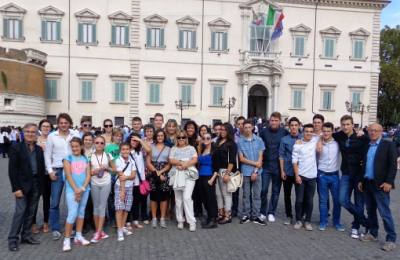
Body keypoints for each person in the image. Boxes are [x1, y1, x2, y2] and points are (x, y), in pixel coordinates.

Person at [358, 123, 397, 251]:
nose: (373, 133)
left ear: (381, 131)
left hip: (381, 185)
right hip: (368, 183)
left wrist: (389, 182)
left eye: (375, 131)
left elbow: (392, 165)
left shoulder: (388, 145)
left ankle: (391, 239)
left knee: (384, 213)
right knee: (370, 211)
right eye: (371, 131)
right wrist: (361, 181)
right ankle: (373, 233)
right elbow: (364, 165)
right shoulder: (367, 146)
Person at [8, 123, 45, 252]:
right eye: (28, 131)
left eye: (33, 132)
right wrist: (15, 188)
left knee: (31, 212)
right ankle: (13, 239)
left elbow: (41, 168)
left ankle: (26, 235)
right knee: (20, 211)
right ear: (23, 133)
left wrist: (41, 186)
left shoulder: (39, 149)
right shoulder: (16, 148)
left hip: (36, 184)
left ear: (36, 134)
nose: (30, 134)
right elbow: (12, 171)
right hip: (22, 185)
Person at [333, 115, 369, 239]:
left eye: (348, 124)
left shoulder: (362, 138)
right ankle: (365, 221)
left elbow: (371, 145)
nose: (345, 126)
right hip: (346, 174)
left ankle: (355, 227)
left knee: (359, 203)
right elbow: (325, 134)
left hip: (359, 175)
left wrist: (364, 133)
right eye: (343, 124)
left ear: (353, 125)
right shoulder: (339, 136)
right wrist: (321, 140)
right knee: (342, 199)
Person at [45, 113, 79, 240]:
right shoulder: (51, 136)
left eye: (66, 122)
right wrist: (50, 171)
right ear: (58, 124)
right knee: (55, 202)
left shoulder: (75, 134)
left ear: (69, 123)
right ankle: (55, 228)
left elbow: (79, 150)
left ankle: (72, 226)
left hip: (72, 169)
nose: (63, 125)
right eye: (61, 123)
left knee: (73, 200)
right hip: (57, 170)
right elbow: (47, 155)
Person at [62, 137, 91, 251]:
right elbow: (68, 176)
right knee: (72, 214)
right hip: (72, 191)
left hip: (84, 190)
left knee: (81, 213)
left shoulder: (85, 158)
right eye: (72, 146)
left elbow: (88, 175)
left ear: (81, 147)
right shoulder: (67, 158)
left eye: (76, 146)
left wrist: (82, 189)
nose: (74, 148)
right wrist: (76, 190)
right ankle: (67, 238)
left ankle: (78, 235)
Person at [259, 112, 288, 222]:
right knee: (263, 190)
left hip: (278, 166)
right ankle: (262, 211)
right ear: (269, 121)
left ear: (279, 121)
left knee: (276, 191)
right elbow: (259, 147)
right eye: (272, 120)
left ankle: (271, 212)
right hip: (266, 166)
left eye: (276, 120)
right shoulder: (263, 132)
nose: (274, 122)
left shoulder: (284, 132)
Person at [169, 130, 198, 231]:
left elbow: (195, 159)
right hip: (177, 174)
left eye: (183, 137)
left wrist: (185, 165)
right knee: (178, 199)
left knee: (187, 197)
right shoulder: (173, 148)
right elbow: (171, 160)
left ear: (186, 138)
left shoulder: (191, 148)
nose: (181, 139)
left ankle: (191, 221)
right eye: (179, 137)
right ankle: (180, 220)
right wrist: (181, 163)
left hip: (189, 174)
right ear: (176, 139)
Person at [317, 122, 345, 232]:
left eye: (328, 131)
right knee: (323, 200)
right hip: (322, 175)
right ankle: (323, 221)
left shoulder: (337, 143)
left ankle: (337, 222)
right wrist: (319, 140)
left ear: (333, 131)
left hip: (334, 175)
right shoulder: (318, 142)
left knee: (337, 200)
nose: (326, 133)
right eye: (324, 131)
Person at [238, 120, 266, 225]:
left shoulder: (259, 140)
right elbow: (241, 159)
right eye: (245, 127)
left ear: (253, 128)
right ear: (243, 128)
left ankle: (256, 215)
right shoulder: (240, 141)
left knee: (257, 195)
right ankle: (246, 214)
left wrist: (255, 171)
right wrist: (255, 164)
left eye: (249, 127)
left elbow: (261, 157)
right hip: (245, 171)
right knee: (246, 194)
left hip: (257, 172)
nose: (247, 129)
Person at [89, 135, 116, 243]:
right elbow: (88, 172)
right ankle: (99, 231)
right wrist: (93, 172)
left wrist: (107, 168)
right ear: (94, 144)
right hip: (94, 182)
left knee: (102, 206)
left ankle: (99, 232)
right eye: (97, 143)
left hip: (106, 182)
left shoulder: (108, 155)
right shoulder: (90, 156)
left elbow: (114, 170)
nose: (99, 145)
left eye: (101, 143)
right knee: (96, 206)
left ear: (104, 145)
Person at [292, 124, 318, 231]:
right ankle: (298, 220)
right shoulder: (297, 144)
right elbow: (294, 162)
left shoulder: (315, 141)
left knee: (310, 201)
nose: (309, 133)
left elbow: (325, 135)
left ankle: (307, 221)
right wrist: (297, 175)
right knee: (299, 200)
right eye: (307, 131)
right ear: (303, 132)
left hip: (312, 176)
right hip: (301, 176)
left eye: (311, 131)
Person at [212, 123, 237, 225]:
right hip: (217, 171)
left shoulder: (232, 144)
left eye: (224, 130)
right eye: (221, 129)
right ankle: (221, 213)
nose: (222, 131)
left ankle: (227, 215)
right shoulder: (217, 142)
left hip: (225, 170)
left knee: (226, 194)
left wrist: (227, 173)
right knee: (218, 194)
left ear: (229, 131)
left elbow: (232, 160)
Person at [146, 129, 171, 228]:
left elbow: (169, 164)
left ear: (164, 136)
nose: (160, 137)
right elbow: (148, 162)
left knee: (164, 197)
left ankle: (162, 218)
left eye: (162, 135)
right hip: (153, 172)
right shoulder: (151, 147)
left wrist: (161, 172)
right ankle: (154, 218)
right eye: (158, 136)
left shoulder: (168, 148)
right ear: (155, 137)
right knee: (153, 197)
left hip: (164, 172)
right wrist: (156, 173)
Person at [279, 117, 301, 225]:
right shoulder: (284, 139)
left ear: (299, 126)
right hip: (287, 171)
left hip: (300, 172)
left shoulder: (303, 138)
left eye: (295, 125)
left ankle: (299, 217)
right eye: (292, 125)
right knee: (287, 195)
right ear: (289, 127)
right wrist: (282, 171)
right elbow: (281, 156)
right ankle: (288, 215)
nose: (293, 127)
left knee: (300, 196)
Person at [32, 119, 52, 234]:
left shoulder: (53, 139)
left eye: (48, 126)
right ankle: (33, 224)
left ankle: (45, 223)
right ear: (40, 128)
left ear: (50, 128)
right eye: (44, 126)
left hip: (48, 174)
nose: (45, 128)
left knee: (47, 200)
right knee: (35, 199)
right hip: (37, 175)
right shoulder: (35, 140)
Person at [127, 133, 151, 229]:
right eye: (133, 140)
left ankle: (136, 220)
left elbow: (149, 150)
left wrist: (140, 140)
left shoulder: (140, 151)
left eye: (136, 141)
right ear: (129, 140)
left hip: (140, 181)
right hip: (129, 180)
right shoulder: (126, 150)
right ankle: (128, 220)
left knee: (137, 201)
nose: (134, 142)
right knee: (129, 201)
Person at [114, 143, 136, 241]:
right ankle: (119, 230)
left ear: (130, 150)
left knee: (126, 208)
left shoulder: (132, 160)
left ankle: (122, 227)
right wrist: (122, 191)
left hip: (130, 186)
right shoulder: (118, 161)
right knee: (119, 208)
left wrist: (127, 177)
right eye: (123, 149)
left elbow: (133, 175)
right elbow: (121, 177)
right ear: (120, 151)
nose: (125, 151)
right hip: (120, 186)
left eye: (127, 149)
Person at [197, 132, 218, 229]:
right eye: (204, 138)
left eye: (208, 138)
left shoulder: (214, 151)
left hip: (210, 177)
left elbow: (217, 167)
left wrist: (212, 179)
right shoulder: (202, 150)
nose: (206, 140)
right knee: (204, 198)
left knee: (211, 199)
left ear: (211, 140)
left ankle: (213, 219)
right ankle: (209, 217)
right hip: (201, 176)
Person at [184, 120, 202, 217]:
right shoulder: (183, 139)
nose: (190, 129)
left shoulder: (197, 140)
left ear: (195, 129)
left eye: (192, 128)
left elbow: (198, 156)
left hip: (194, 167)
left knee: (196, 191)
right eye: (188, 128)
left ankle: (197, 210)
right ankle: (187, 210)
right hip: (184, 167)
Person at [232, 116, 245, 218]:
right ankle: (234, 209)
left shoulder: (249, 135)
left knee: (246, 189)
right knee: (235, 188)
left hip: (247, 164)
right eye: (239, 124)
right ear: (236, 125)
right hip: (236, 164)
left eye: (242, 124)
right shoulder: (233, 136)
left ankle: (246, 211)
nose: (240, 126)